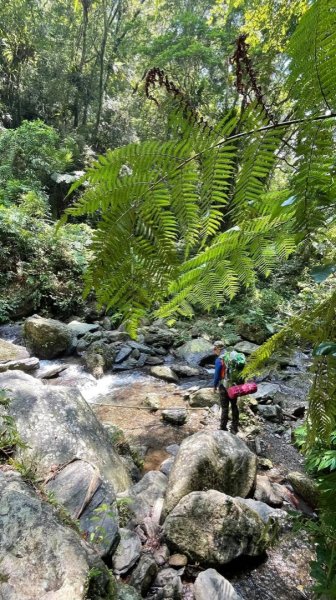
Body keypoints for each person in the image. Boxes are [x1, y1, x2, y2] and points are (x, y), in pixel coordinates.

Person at [213, 340, 245, 433]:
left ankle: (223, 427)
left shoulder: (220, 359)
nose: (213, 351)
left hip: (224, 386)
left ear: (218, 349)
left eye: (214, 349)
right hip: (234, 385)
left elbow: (216, 375)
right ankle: (235, 428)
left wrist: (214, 386)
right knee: (234, 405)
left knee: (225, 407)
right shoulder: (232, 356)